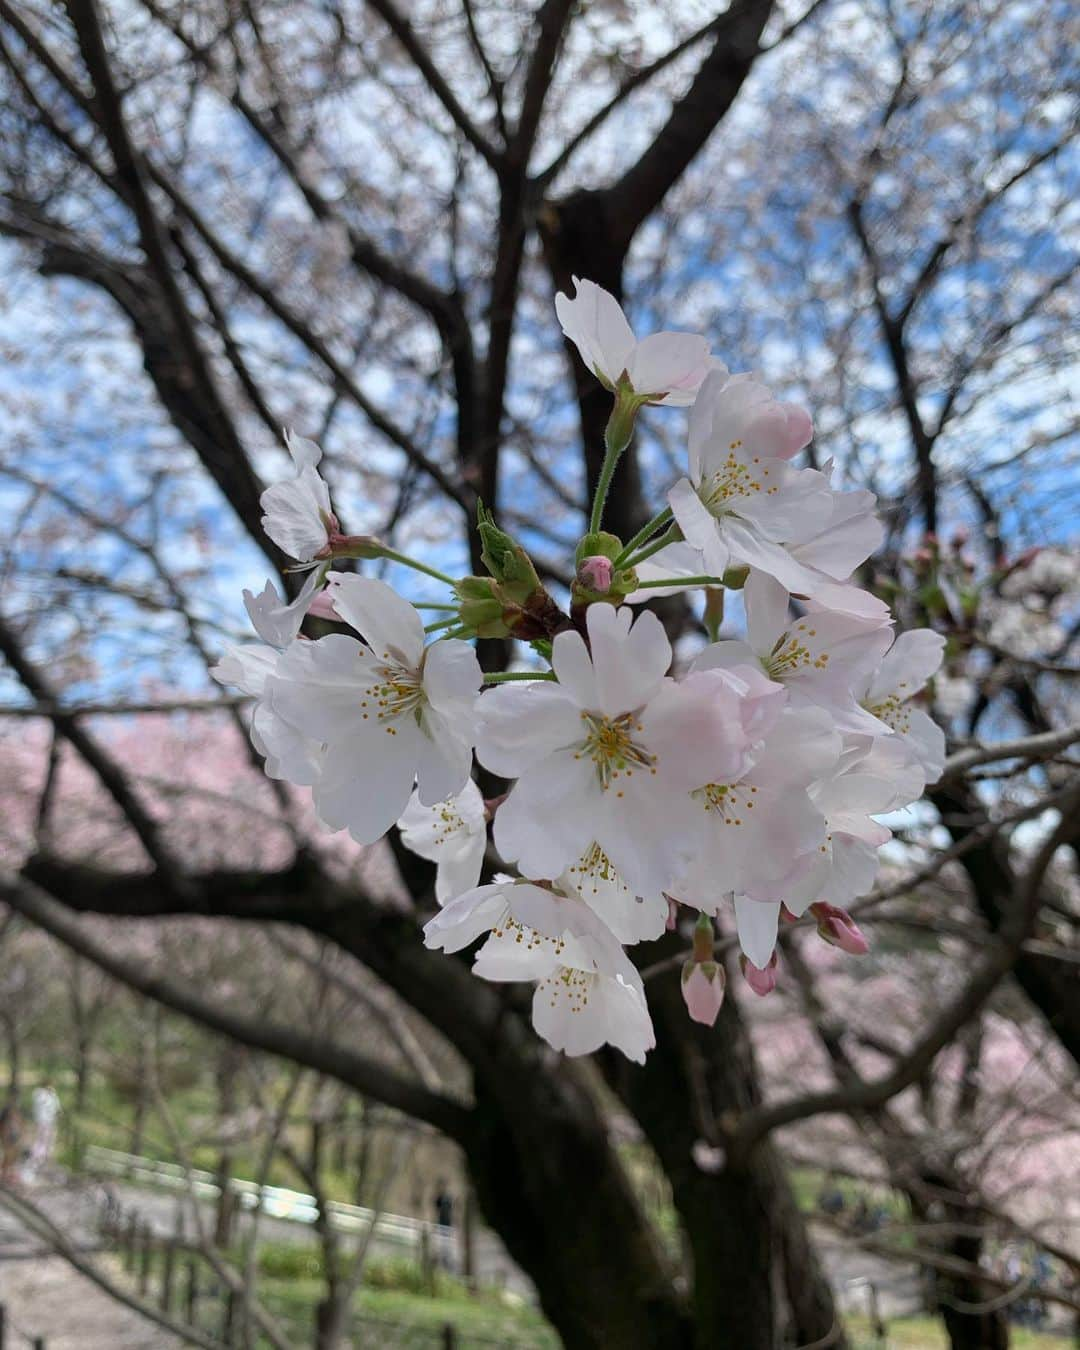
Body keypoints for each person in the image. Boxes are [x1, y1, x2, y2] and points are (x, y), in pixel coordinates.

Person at [28, 1083, 60, 1180]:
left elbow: (57, 1110)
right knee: (41, 1140)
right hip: (43, 1121)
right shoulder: (41, 1094)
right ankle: (38, 1159)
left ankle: (43, 1159)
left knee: (47, 1141)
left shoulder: (52, 1097)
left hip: (48, 1122)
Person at [0, 1101, 24, 1185]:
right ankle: (5, 1174)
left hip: (13, 1138)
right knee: (8, 1156)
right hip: (8, 1139)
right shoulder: (5, 1122)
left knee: (13, 1156)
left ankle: (8, 1174)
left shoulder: (16, 1119)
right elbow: (3, 1132)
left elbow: (21, 1127)